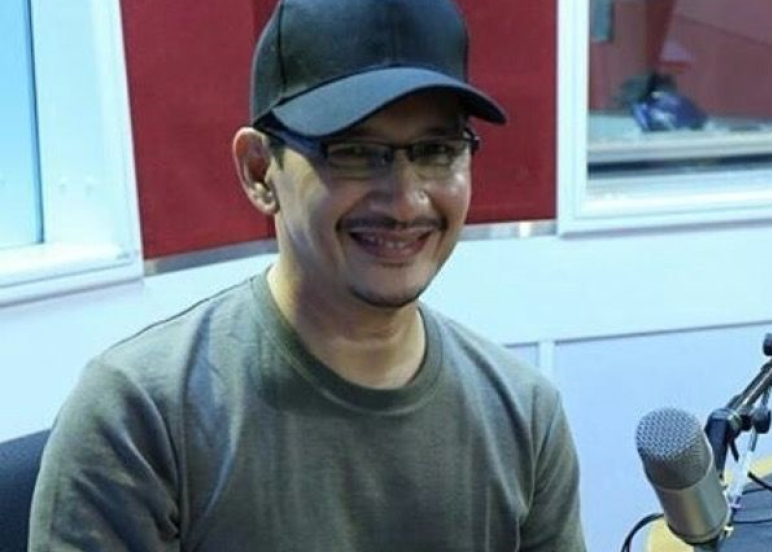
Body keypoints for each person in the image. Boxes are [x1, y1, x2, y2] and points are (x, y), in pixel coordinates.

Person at [29, 0, 586, 550]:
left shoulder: (524, 415)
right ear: (259, 171)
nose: (405, 200)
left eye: (438, 150)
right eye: (354, 151)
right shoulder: (141, 416)